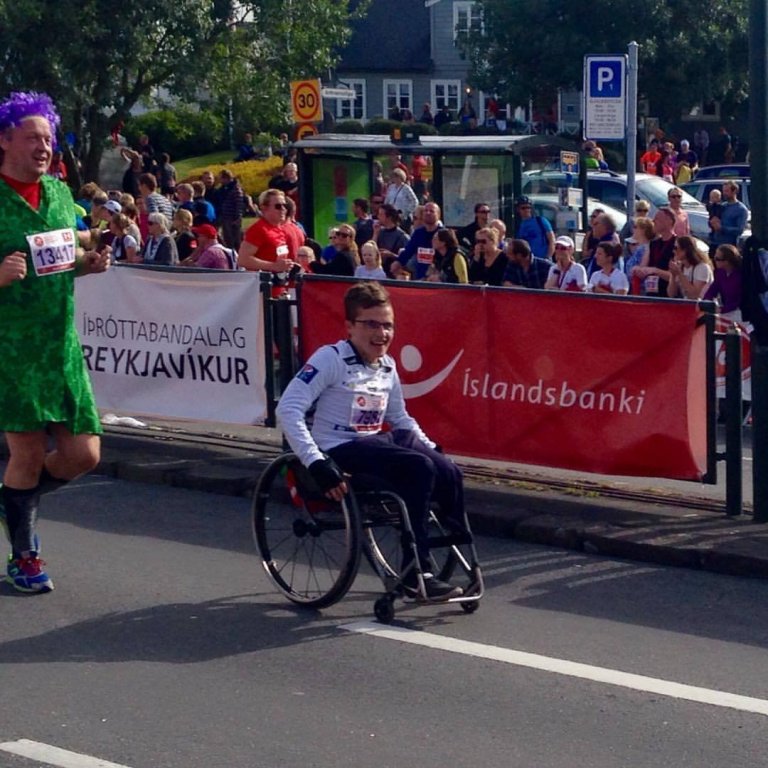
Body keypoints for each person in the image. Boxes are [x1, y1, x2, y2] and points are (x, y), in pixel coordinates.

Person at [275, 281, 466, 600]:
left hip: (374, 445)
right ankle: (415, 569)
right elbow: (288, 408)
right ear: (350, 326)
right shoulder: (330, 359)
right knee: (418, 467)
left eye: (388, 325)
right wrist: (316, 462)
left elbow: (401, 418)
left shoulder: (387, 365)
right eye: (372, 325)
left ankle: (460, 547)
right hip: (339, 449)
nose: (382, 334)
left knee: (447, 469)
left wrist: (432, 447)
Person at [0, 91, 110, 593]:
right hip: (12, 348)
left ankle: (14, 499)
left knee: (84, 454)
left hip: (61, 346)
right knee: (23, 455)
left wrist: (89, 264)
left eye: (47, 138)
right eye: (32, 138)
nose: (43, 147)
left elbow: (63, 262)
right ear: (5, 141)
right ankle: (24, 556)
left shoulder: (62, 197)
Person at [703, 244, 743, 321]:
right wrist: (706, 302)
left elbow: (741, 299)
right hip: (725, 311)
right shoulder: (720, 272)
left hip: (740, 312)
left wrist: (723, 309)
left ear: (727, 261)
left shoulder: (741, 275)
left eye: (717, 259)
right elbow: (713, 290)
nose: (714, 260)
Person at [709, 180, 749, 251]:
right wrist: (712, 223)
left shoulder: (741, 209)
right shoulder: (722, 206)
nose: (724, 193)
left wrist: (722, 228)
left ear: (734, 191)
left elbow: (740, 230)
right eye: (723, 191)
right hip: (715, 243)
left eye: (727, 191)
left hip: (729, 245)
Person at [514, 195, 555, 260]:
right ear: (518, 209)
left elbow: (552, 240)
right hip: (526, 261)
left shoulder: (541, 221)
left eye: (528, 207)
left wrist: (548, 257)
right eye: (523, 208)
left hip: (543, 259)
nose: (526, 210)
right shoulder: (517, 225)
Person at [217, 169, 245, 250]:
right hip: (225, 217)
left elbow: (239, 204)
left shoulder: (235, 189)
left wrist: (238, 217)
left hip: (232, 217)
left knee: (235, 238)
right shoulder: (224, 189)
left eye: (221, 178)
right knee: (227, 238)